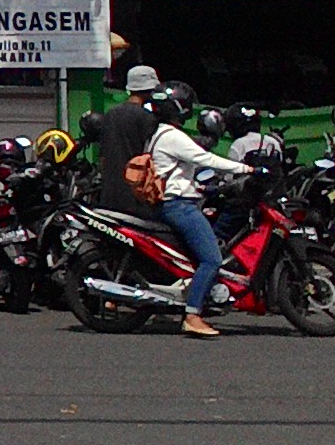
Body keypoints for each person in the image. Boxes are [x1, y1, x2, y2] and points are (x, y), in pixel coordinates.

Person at [146, 87, 254, 338]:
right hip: (180, 206)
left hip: (173, 202)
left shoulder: (158, 134)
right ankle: (193, 315)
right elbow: (207, 159)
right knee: (212, 259)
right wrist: (246, 169)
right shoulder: (173, 136)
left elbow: (175, 171)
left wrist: (204, 188)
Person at [98, 65, 162, 212]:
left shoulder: (111, 114)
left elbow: (103, 157)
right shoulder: (147, 118)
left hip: (109, 194)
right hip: (134, 196)